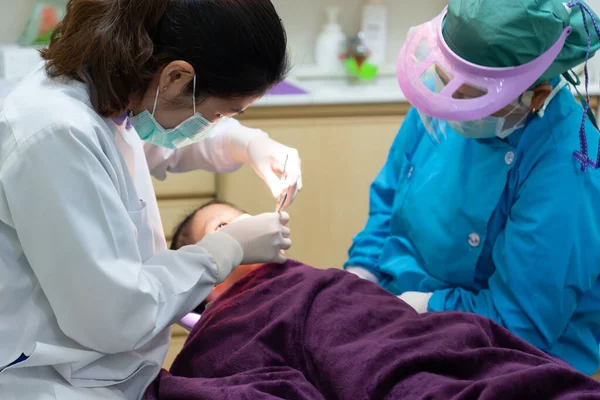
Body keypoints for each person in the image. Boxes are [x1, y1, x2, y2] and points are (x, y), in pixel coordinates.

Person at [0, 0, 300, 398]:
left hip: (113, 371)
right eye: (220, 115)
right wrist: (223, 250)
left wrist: (248, 144)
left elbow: (149, 137)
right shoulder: (57, 133)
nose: (217, 125)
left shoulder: (109, 87)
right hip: (58, 382)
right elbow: (114, 317)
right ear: (176, 76)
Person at [346, 0, 600, 375]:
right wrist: (362, 271)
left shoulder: (565, 164)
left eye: (472, 99)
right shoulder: (442, 97)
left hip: (507, 356)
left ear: (538, 95)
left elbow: (522, 324)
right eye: (445, 81)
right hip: (401, 313)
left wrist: (424, 308)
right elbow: (390, 198)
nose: (451, 106)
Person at [145, 200, 600, 399]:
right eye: (220, 231)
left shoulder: (307, 281)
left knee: (452, 357)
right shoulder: (225, 324)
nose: (241, 231)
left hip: (380, 324)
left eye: (244, 221)